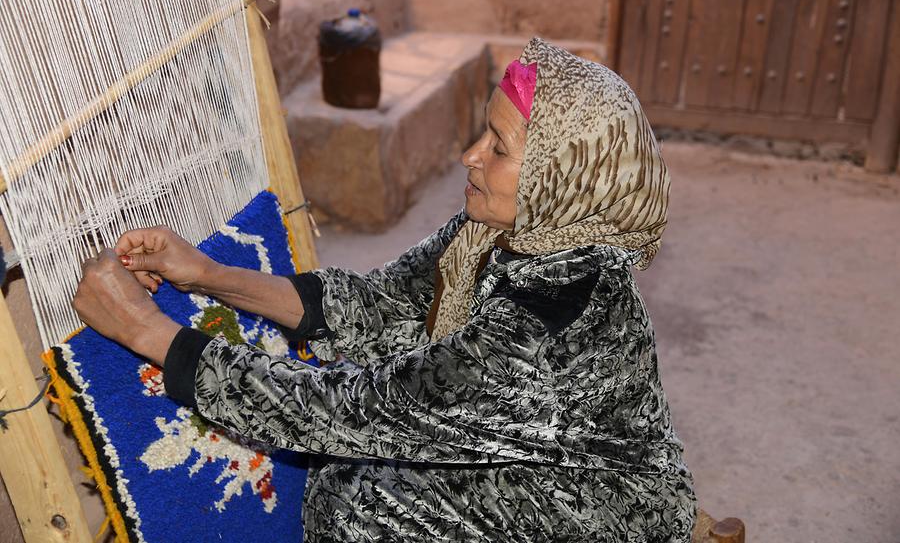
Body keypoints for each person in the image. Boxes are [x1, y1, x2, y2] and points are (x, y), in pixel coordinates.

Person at [74, 38, 696, 542]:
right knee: (351, 458)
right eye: (484, 132)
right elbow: (382, 303)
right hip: (530, 448)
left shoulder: (552, 320)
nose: (469, 156)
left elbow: (347, 411)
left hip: (600, 509)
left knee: (355, 508)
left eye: (499, 148)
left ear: (559, 178)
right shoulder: (504, 229)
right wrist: (208, 275)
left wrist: (144, 330)